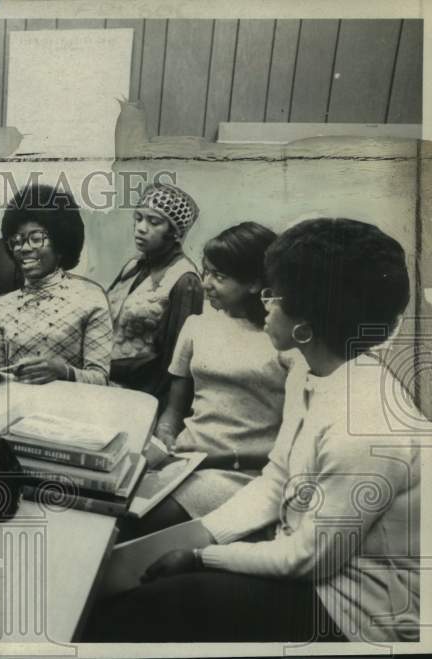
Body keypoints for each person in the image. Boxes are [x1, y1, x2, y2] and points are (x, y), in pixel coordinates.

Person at [86, 218, 421, 643]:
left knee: (138, 613)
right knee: (118, 586)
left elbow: (308, 559)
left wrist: (202, 557)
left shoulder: (364, 426)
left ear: (309, 320)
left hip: (354, 614)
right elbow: (276, 480)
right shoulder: (311, 374)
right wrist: (205, 535)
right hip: (308, 570)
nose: (264, 303)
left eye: (274, 294)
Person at [119, 222, 296, 540]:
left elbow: (293, 443)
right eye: (205, 272)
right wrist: (165, 440)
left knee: (140, 522)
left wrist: (212, 458)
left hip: (242, 472)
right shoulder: (197, 326)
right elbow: (174, 410)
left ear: (255, 282)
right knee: (115, 506)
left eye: (219, 276)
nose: (206, 283)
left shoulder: (283, 340)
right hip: (186, 461)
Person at [0, 184, 113, 385]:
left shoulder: (91, 300)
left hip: (72, 411)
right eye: (16, 241)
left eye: (35, 239)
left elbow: (101, 379)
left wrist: (64, 372)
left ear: (60, 243)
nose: (23, 248)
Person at [107, 182, 203, 407]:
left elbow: (175, 361)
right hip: (104, 383)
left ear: (175, 233)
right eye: (138, 218)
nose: (140, 227)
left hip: (141, 396)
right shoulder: (133, 266)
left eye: (154, 221)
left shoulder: (184, 280)